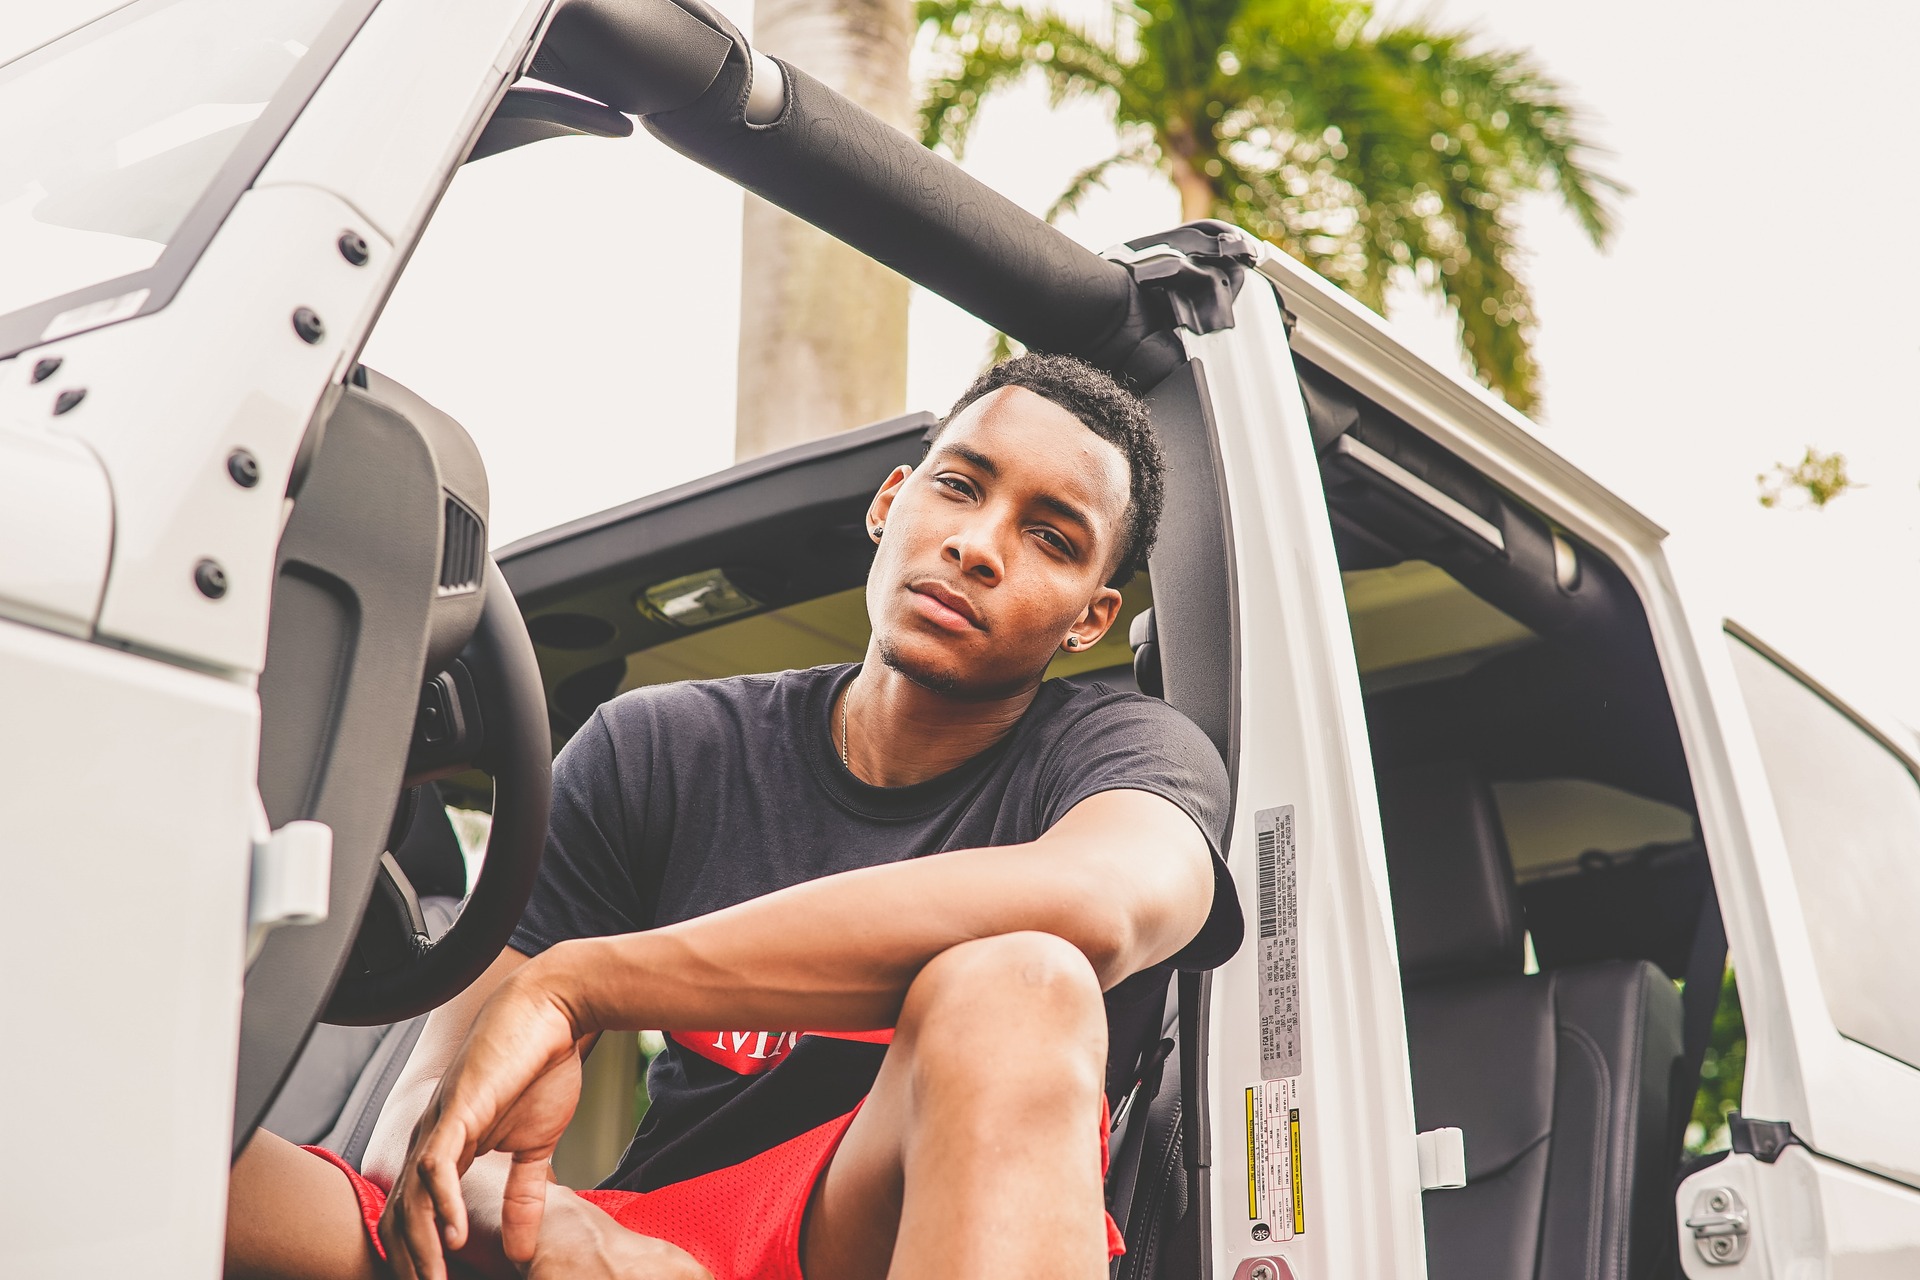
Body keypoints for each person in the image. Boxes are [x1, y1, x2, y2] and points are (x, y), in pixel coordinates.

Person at [224, 352, 1241, 1280]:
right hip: (621, 1231)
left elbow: (1098, 905)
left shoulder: (1125, 753)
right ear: (893, 501)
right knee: (155, 1141)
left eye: (1051, 538)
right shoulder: (661, 746)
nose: (978, 545)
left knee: (1025, 978)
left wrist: (581, 986)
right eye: (960, 486)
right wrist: (565, 1229)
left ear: (1091, 618)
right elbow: (425, 1129)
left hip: (831, 1232)